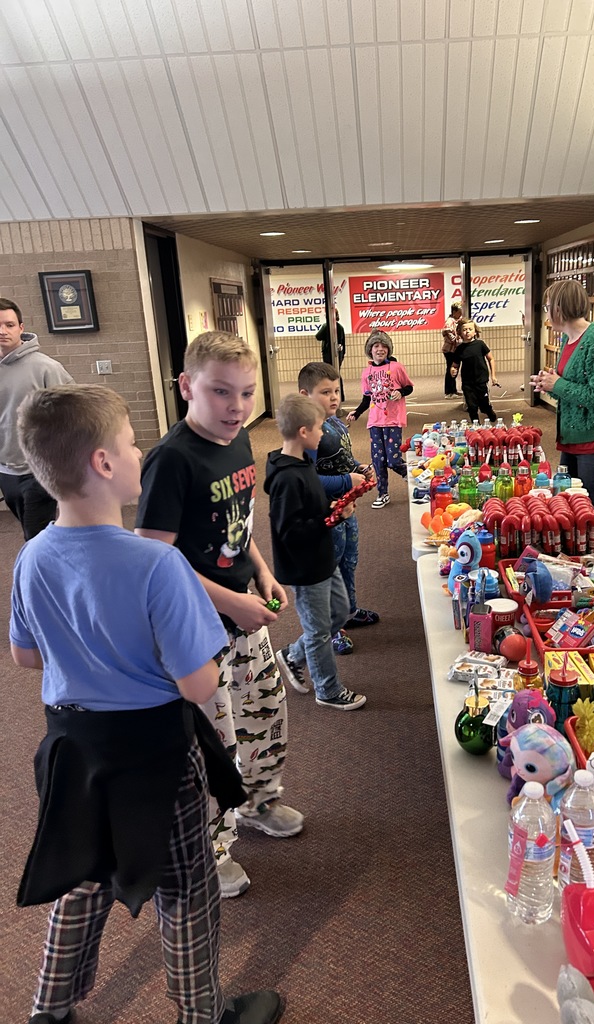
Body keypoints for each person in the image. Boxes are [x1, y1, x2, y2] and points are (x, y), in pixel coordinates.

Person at [10, 384, 283, 1024]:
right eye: (132, 444)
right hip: (154, 758)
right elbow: (199, 686)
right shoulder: (156, 565)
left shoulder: (30, 557)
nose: (141, 454)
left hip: (73, 753)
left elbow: (26, 658)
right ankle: (201, 1010)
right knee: (186, 890)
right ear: (104, 464)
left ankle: (48, 1009)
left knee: (80, 878)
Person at [135, 331, 302, 901]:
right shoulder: (172, 459)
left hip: (243, 613)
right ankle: (211, 848)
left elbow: (237, 524)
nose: (236, 407)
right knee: (216, 741)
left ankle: (259, 802)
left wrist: (260, 569)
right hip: (198, 631)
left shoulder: (236, 440)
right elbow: (155, 559)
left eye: (247, 393)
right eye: (221, 392)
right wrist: (231, 601)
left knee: (265, 711)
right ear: (186, 386)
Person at [265, 393, 366, 711]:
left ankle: (293, 656)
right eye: (321, 428)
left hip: (322, 558)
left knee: (339, 612)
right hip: (304, 568)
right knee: (319, 630)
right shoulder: (286, 479)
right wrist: (333, 517)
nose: (324, 434)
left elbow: (313, 506)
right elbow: (291, 532)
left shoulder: (305, 462)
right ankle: (328, 688)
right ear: (304, 432)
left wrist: (333, 506)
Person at [531, 279, 594, 529]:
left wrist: (558, 385)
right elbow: (572, 392)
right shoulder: (568, 339)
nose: (547, 314)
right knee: (570, 506)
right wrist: (549, 385)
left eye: (548, 307)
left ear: (559, 308)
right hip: (574, 439)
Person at [298, 361, 379, 656]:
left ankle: (349, 611)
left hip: (347, 510)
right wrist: (347, 479)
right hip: (325, 515)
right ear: (305, 394)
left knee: (349, 561)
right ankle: (333, 627)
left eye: (337, 390)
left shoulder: (334, 422)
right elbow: (305, 479)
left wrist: (358, 468)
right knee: (329, 570)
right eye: (325, 392)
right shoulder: (307, 432)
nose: (334, 397)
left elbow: (343, 456)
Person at [0, 297, 73, 539]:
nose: (3, 331)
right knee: (32, 531)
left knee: (36, 536)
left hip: (38, 470)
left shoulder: (46, 368)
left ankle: (46, 576)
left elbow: (74, 412)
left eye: (9, 325)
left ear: (21, 328)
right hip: (6, 470)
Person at [347, 330, 413, 509]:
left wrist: (400, 392)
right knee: (378, 461)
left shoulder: (396, 367)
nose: (380, 349)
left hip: (393, 420)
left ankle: (411, 473)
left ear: (388, 350)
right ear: (370, 350)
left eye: (384, 346)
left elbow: (409, 387)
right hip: (375, 421)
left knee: (393, 460)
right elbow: (367, 398)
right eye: (376, 346)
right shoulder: (366, 372)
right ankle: (383, 494)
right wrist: (357, 412)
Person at [450, 318, 499, 424]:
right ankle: (476, 426)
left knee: (484, 405)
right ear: (460, 333)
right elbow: (455, 365)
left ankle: (490, 413)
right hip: (467, 382)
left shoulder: (480, 344)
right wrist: (453, 370)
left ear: (475, 331)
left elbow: (491, 359)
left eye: (470, 329)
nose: (467, 331)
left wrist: (493, 376)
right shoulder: (460, 349)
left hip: (481, 380)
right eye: (464, 330)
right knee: (471, 407)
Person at [316, 307, 346, 402]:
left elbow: (318, 336)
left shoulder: (326, 326)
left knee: (330, 374)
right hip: (339, 353)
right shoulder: (340, 327)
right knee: (336, 373)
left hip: (328, 353)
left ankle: (332, 393)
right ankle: (340, 395)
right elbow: (342, 342)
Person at [441, 301, 463, 398]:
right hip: (449, 350)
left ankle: (453, 390)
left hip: (454, 349)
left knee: (454, 369)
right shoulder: (449, 321)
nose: (461, 314)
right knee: (451, 369)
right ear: (454, 312)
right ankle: (449, 392)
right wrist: (458, 341)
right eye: (459, 312)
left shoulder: (457, 321)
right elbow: (448, 334)